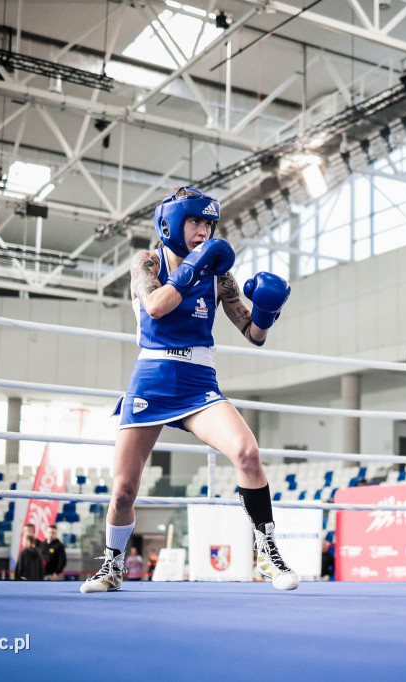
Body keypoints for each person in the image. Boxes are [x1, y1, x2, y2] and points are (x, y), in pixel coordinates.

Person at [81, 187, 298, 594]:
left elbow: (253, 334)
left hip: (199, 384)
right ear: (172, 224)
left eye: (209, 224)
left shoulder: (219, 274)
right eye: (196, 221)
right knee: (125, 489)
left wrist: (268, 309)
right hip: (152, 379)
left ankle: (268, 553)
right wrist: (195, 267)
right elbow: (156, 307)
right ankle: (111, 565)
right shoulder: (147, 261)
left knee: (247, 453)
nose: (203, 231)